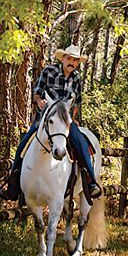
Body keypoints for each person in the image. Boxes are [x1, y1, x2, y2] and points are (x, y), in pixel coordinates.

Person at [0, 44, 100, 202]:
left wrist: (73, 117)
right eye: (69, 59)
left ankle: (91, 181)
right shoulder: (48, 71)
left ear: (77, 63)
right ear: (63, 58)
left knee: (81, 143)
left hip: (65, 122)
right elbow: (37, 92)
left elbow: (77, 102)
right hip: (45, 121)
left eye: (75, 60)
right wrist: (39, 101)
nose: (71, 63)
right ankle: (13, 185)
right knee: (23, 145)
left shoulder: (77, 79)